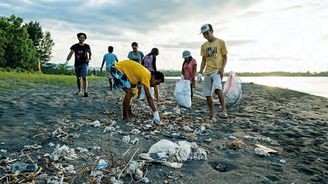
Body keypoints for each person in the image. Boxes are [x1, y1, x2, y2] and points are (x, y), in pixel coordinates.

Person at [110, 59, 165, 124]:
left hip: (121, 70)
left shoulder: (147, 74)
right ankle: (125, 116)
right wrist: (155, 112)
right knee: (129, 93)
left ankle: (129, 113)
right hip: (117, 68)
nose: (154, 86)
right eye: (156, 83)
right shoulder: (146, 76)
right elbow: (148, 97)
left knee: (132, 93)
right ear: (153, 77)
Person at [198, 23, 228, 118]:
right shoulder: (203, 46)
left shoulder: (220, 42)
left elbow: (225, 57)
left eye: (207, 33)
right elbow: (203, 60)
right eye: (203, 34)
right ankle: (212, 112)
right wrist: (200, 72)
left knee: (218, 88)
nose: (205, 35)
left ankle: (224, 110)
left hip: (217, 70)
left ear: (212, 31)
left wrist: (222, 69)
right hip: (207, 72)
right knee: (207, 93)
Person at [66, 32, 92, 97]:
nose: (82, 39)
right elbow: (71, 53)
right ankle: (80, 90)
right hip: (77, 63)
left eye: (83, 38)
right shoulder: (75, 46)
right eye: (80, 37)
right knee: (78, 78)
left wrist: (89, 58)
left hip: (84, 63)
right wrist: (67, 60)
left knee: (84, 77)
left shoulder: (87, 46)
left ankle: (85, 91)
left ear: (85, 39)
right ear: (78, 38)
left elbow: (90, 52)